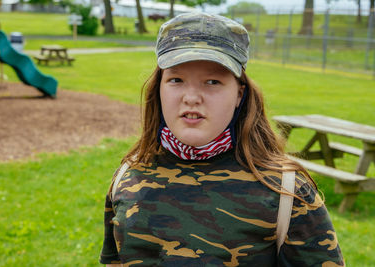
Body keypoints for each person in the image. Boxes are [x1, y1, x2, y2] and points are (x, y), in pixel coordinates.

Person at [100, 12, 344, 266]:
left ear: (239, 94)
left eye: (213, 81)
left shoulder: (287, 192)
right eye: (176, 80)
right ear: (158, 87)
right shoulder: (127, 178)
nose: (192, 97)